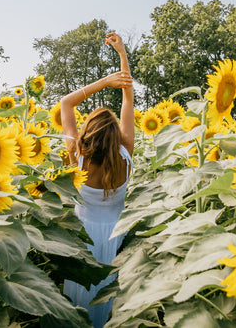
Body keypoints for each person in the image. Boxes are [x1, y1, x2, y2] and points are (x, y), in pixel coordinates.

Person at [61, 32, 135, 328]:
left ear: (87, 132)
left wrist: (104, 81)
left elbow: (66, 103)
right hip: (116, 236)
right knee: (108, 300)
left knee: (79, 301)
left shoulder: (76, 156)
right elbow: (128, 98)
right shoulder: (125, 154)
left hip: (82, 237)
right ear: (116, 134)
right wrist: (122, 54)